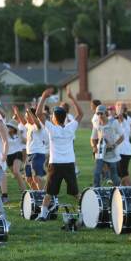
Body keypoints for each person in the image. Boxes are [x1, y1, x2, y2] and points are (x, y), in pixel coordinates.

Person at [34, 86, 83, 221]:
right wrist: (72, 97)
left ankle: (43, 215)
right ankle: (84, 214)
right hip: (68, 164)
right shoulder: (70, 127)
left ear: (54, 118)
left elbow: (38, 114)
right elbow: (81, 114)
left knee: (49, 192)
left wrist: (44, 97)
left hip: (55, 165)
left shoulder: (52, 128)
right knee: (76, 193)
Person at [13, 105, 46, 190]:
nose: (26, 118)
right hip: (29, 154)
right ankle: (36, 193)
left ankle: (42, 193)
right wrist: (17, 111)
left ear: (33, 116)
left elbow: (37, 125)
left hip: (38, 154)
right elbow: (23, 122)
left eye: (28, 116)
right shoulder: (29, 125)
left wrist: (30, 112)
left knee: (36, 177)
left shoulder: (39, 125)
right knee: (28, 178)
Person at [91, 105, 124, 187]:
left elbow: (122, 137)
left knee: (114, 176)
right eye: (97, 114)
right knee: (97, 173)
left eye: (101, 113)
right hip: (100, 152)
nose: (99, 116)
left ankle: (119, 190)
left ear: (106, 113)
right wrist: (94, 147)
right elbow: (93, 138)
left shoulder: (114, 122)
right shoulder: (96, 124)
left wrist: (114, 145)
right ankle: (96, 191)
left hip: (111, 153)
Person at [115, 102, 131, 186]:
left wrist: (120, 108)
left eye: (120, 107)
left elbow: (120, 115)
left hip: (125, 150)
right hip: (120, 150)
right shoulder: (117, 120)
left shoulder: (126, 119)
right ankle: (126, 189)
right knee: (120, 172)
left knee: (123, 172)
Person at [6, 120, 27, 192]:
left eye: (10, 127)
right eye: (8, 126)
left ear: (14, 128)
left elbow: (25, 142)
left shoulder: (18, 135)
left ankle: (24, 190)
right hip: (8, 156)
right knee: (16, 174)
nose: (8, 128)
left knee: (16, 171)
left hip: (18, 153)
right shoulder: (5, 135)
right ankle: (22, 186)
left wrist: (19, 133)